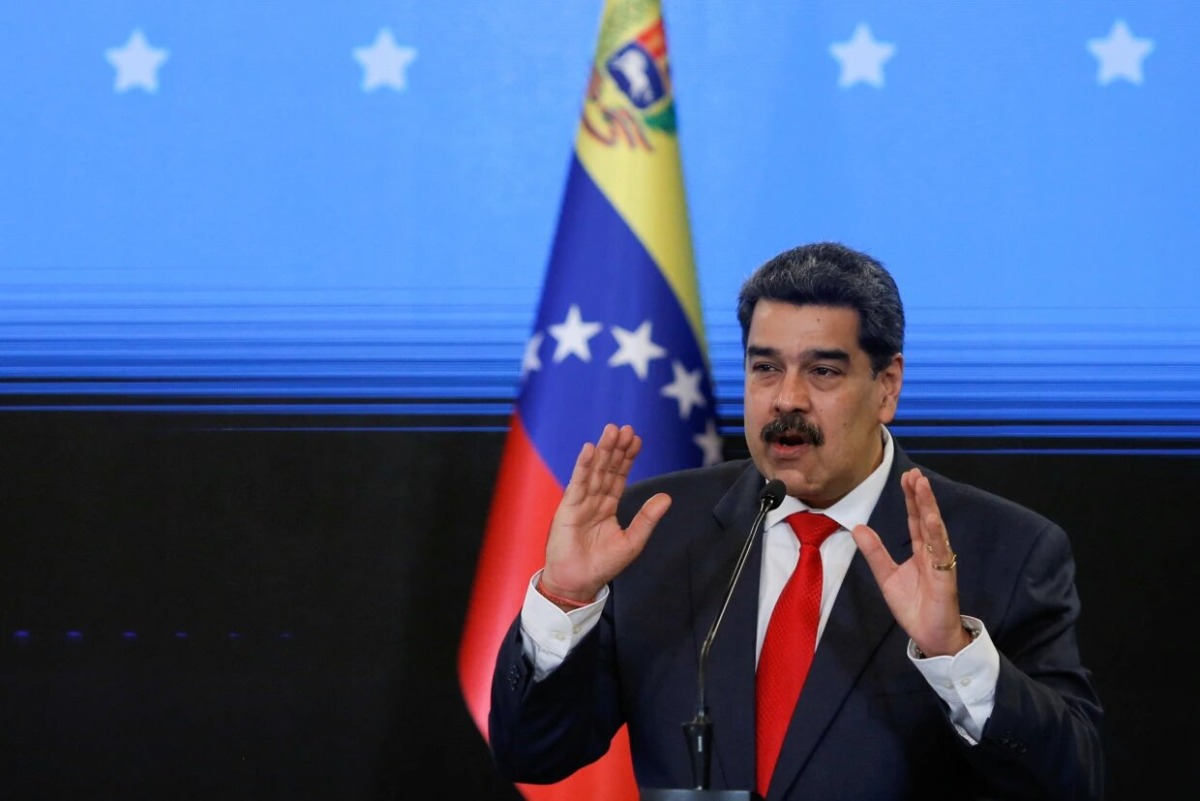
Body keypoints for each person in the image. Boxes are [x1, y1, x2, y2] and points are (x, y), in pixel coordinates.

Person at [487, 242, 1105, 800]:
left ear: (887, 386)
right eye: (765, 368)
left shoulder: (1006, 550)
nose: (787, 398)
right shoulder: (653, 532)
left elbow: (1072, 782)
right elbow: (534, 754)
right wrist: (564, 598)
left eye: (824, 371)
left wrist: (954, 654)